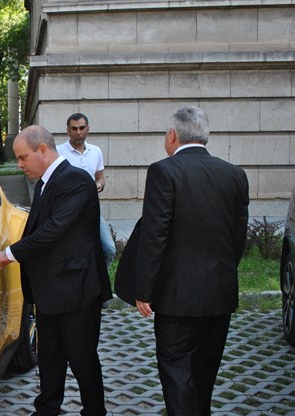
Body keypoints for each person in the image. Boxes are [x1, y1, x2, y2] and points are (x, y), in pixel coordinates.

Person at [123, 106, 249, 415]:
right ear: (206, 136)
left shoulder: (164, 170)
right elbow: (238, 238)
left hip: (176, 297)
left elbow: (156, 235)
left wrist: (144, 289)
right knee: (205, 374)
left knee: (177, 374)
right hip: (219, 294)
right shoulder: (235, 174)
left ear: (171, 135)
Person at [0, 125, 111, 416]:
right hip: (50, 290)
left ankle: (94, 411)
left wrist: (10, 253)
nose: (19, 165)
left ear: (42, 149)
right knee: (50, 356)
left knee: (82, 359)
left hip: (77, 291)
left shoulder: (75, 180)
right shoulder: (46, 182)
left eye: (22, 157)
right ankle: (47, 409)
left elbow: (54, 229)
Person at [56, 113, 116, 268]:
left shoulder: (95, 151)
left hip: (91, 209)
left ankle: (101, 280)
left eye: (82, 128)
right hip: (67, 212)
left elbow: (100, 178)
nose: (78, 132)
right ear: (67, 130)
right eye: (74, 128)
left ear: (88, 129)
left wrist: (99, 185)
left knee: (108, 248)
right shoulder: (59, 152)